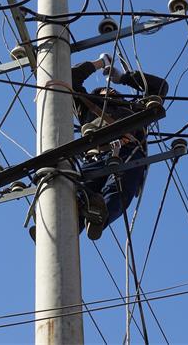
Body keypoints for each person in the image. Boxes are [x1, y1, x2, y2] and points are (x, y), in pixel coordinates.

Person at [72, 53, 169, 240]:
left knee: (119, 189)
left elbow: (160, 86)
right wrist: (100, 63)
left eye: (114, 92)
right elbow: (71, 76)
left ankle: (99, 217)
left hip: (127, 151)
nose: (110, 92)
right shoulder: (86, 106)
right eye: (103, 91)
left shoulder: (135, 109)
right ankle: (59, 228)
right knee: (75, 192)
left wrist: (122, 78)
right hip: (95, 157)